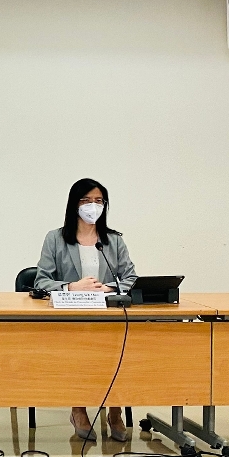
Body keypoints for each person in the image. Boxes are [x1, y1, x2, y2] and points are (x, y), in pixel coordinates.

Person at [34, 177, 138, 443]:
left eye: (99, 201)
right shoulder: (56, 239)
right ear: (75, 204)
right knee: (78, 354)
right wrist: (72, 287)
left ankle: (114, 411)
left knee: (118, 351)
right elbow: (41, 281)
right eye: (87, 200)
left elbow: (130, 277)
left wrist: (110, 288)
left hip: (108, 316)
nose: (93, 206)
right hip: (72, 318)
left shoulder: (113, 240)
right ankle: (78, 409)